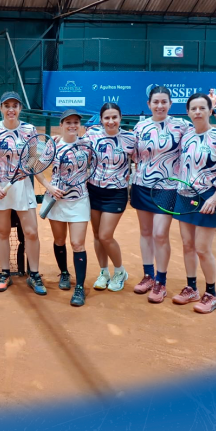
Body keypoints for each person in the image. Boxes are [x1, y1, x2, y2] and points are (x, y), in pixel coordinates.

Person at [130, 86, 216, 304]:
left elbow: (211, 136)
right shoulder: (142, 127)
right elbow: (132, 154)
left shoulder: (182, 127)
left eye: (164, 102)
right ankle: (163, 280)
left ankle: (165, 282)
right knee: (166, 238)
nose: (159, 105)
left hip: (175, 190)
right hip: (150, 187)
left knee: (167, 237)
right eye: (155, 102)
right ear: (149, 104)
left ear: (170, 104)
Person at [171, 93, 216, 313]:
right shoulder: (186, 135)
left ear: (210, 111)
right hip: (184, 195)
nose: (197, 112)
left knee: (202, 248)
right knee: (187, 245)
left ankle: (211, 294)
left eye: (202, 108)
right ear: (188, 112)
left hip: (208, 197)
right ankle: (191, 288)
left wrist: (215, 197)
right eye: (193, 108)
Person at [0, 91, 47, 295]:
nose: (11, 109)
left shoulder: (29, 130)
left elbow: (34, 157)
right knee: (2, 232)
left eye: (15, 106)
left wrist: (26, 168)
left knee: (31, 232)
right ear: (1, 108)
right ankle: (5, 274)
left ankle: (34, 274)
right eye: (7, 106)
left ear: (20, 108)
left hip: (22, 186)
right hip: (0, 187)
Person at [39, 109, 91, 307]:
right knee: (59, 240)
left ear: (80, 125)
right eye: (68, 122)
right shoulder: (53, 145)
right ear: (61, 125)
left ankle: (80, 288)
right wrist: (49, 187)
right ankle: (64, 273)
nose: (72, 125)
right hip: (56, 200)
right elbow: (37, 168)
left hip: (79, 200)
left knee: (77, 243)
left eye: (76, 122)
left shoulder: (87, 145)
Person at [86, 103, 135, 292]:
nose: (111, 121)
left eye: (114, 117)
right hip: (94, 190)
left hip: (116, 193)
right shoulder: (92, 135)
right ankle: (104, 272)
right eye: (107, 118)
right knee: (96, 235)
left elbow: (142, 159)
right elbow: (76, 147)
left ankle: (120, 272)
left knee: (105, 235)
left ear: (120, 118)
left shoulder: (130, 139)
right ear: (101, 119)